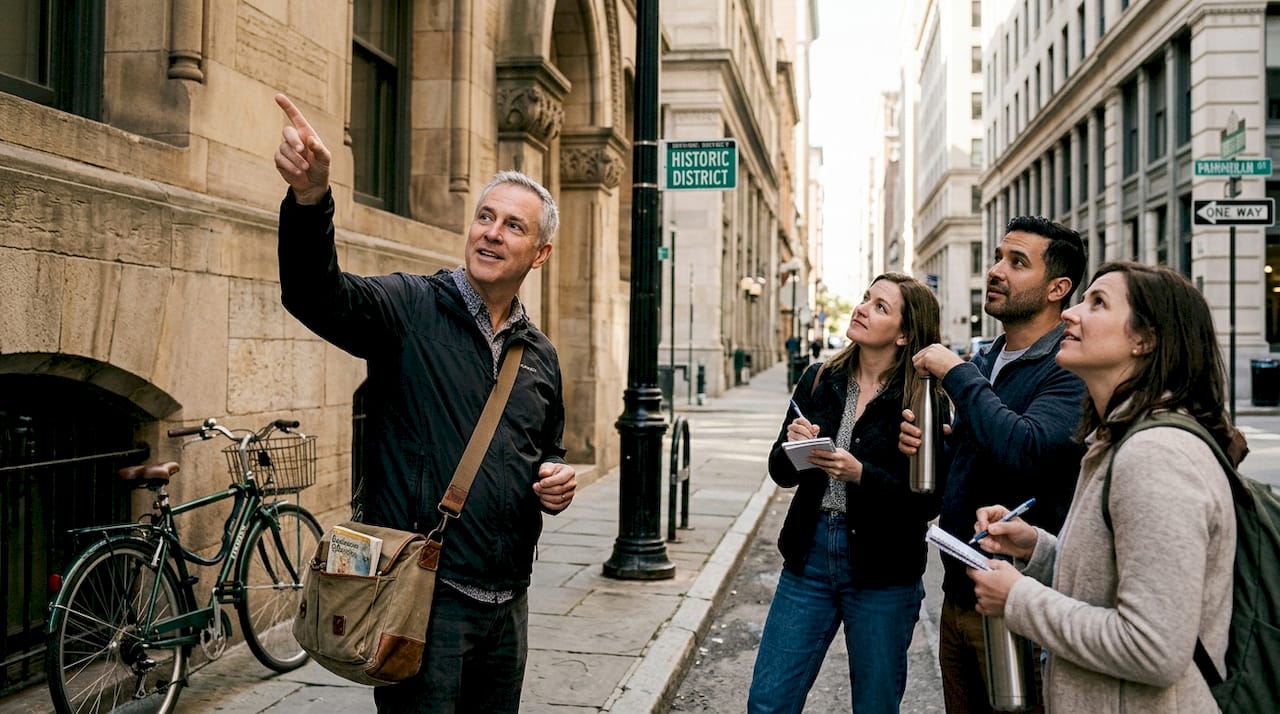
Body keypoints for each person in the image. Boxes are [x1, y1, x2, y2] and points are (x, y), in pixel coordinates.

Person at [271, 94, 577, 713]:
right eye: (485, 217)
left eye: (512, 226)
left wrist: (557, 478)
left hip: (507, 607)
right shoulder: (410, 308)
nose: (491, 233)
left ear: (540, 254)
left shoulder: (540, 355)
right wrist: (310, 200)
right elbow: (315, 294)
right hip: (421, 602)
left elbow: (547, 450)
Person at [968, 261, 1239, 713]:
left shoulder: (1155, 456)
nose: (1070, 314)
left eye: (1097, 303)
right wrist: (1037, 549)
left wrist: (1018, 598)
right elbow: (1114, 582)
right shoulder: (1118, 440)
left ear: (1144, 340)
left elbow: (1153, 648)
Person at [899, 216, 1088, 713]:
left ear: (1058, 288)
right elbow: (970, 468)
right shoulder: (987, 360)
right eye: (999, 257)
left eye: (1017, 262)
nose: (996, 271)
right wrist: (933, 448)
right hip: (960, 597)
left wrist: (957, 373)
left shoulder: (1068, 367)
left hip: (1022, 607)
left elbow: (1024, 447)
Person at [749, 272, 943, 713]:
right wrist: (795, 447)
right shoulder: (820, 378)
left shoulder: (922, 399)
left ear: (904, 334)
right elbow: (780, 472)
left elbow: (928, 503)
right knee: (768, 703)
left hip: (883, 570)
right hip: (810, 556)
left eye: (880, 307)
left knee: (875, 705)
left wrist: (861, 475)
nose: (861, 309)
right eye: (865, 298)